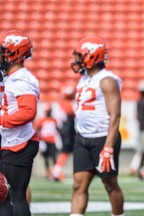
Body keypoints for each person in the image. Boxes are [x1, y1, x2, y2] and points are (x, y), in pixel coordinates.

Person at [69, 36, 124, 216]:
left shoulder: (107, 80)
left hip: (103, 138)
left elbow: (115, 115)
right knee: (78, 184)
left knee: (110, 184)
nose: (77, 59)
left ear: (92, 56)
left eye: (80, 55)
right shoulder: (84, 78)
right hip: (83, 138)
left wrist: (108, 147)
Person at [0, 29, 40, 216]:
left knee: (15, 195)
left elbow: (28, 111)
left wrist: (2, 120)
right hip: (10, 142)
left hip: (18, 144)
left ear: (14, 53)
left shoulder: (21, 79)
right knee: (4, 196)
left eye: (3, 50)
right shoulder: (10, 77)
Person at [51, 85, 76, 182]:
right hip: (66, 133)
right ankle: (56, 172)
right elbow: (69, 120)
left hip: (64, 132)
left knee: (66, 153)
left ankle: (56, 172)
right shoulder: (66, 104)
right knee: (65, 153)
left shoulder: (61, 104)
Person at [35, 104, 58, 180]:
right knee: (46, 158)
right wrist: (40, 140)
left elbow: (57, 130)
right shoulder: (41, 120)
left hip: (52, 141)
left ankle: (55, 173)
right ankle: (48, 173)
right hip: (44, 141)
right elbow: (37, 130)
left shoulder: (54, 120)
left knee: (54, 158)